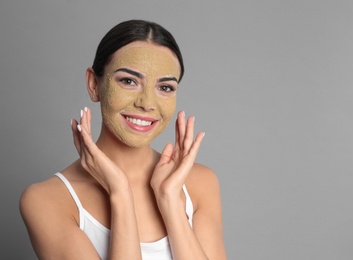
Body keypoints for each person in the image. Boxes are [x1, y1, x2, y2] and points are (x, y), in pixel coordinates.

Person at [20, 20, 226, 259]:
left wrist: (169, 201)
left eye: (166, 87)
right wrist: (119, 193)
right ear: (93, 84)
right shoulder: (47, 200)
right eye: (129, 81)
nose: (147, 103)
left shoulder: (200, 183)